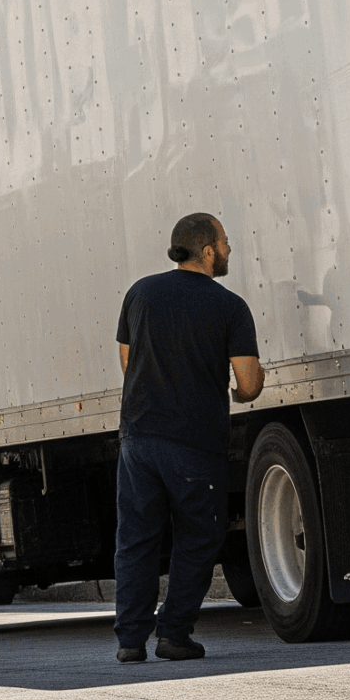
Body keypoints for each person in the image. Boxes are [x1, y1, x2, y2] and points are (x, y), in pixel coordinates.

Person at [111, 213, 264, 663]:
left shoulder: (139, 293)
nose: (230, 249)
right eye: (226, 241)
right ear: (209, 250)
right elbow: (249, 383)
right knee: (198, 535)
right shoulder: (229, 306)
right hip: (194, 442)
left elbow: (126, 362)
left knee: (136, 538)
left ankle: (130, 641)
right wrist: (241, 387)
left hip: (138, 438)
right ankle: (174, 633)